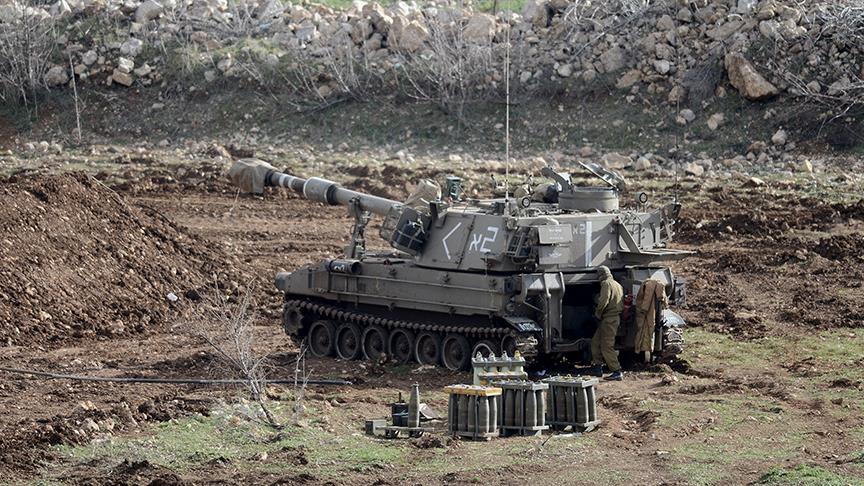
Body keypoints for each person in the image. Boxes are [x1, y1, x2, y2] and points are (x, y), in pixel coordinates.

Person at [588, 266, 625, 381]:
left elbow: (604, 300)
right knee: (595, 342)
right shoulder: (617, 284)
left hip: (609, 319)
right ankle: (597, 367)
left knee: (606, 346)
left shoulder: (606, 284)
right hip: (611, 319)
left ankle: (617, 371)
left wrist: (597, 314)